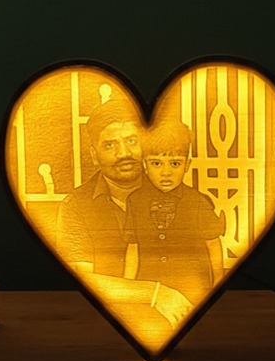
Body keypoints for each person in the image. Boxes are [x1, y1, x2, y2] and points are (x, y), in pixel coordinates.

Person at [56, 99, 192, 329]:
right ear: (94, 155)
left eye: (131, 141)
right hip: (100, 323)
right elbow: (80, 279)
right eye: (110, 145)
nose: (124, 153)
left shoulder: (176, 195)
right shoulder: (75, 206)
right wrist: (155, 293)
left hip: (175, 321)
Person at [123, 119, 225, 305]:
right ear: (144, 165)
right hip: (150, 290)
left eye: (175, 164)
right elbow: (133, 248)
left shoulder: (198, 202)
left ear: (187, 164)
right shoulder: (135, 201)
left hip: (192, 290)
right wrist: (129, 288)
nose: (166, 172)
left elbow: (213, 245)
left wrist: (218, 282)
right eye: (156, 163)